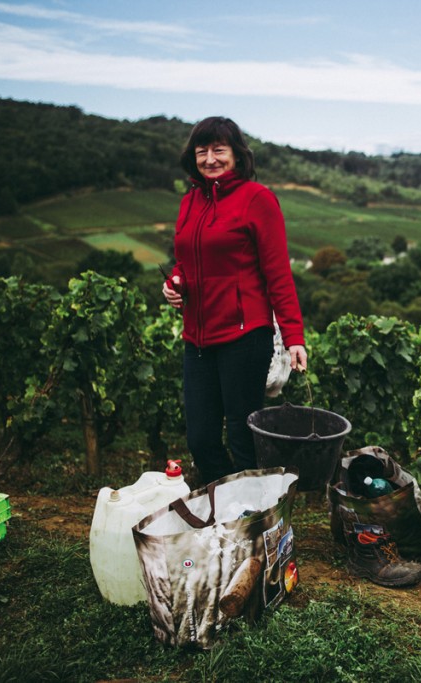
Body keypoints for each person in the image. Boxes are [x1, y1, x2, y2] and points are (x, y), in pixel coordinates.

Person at [162, 116, 306, 484]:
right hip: (197, 337)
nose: (210, 158)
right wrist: (176, 283)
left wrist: (293, 337)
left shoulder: (257, 200)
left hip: (245, 337)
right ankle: (231, 503)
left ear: (237, 156)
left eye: (218, 150)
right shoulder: (189, 202)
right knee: (201, 439)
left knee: (243, 439)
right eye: (202, 151)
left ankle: (249, 522)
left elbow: (277, 273)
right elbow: (187, 262)